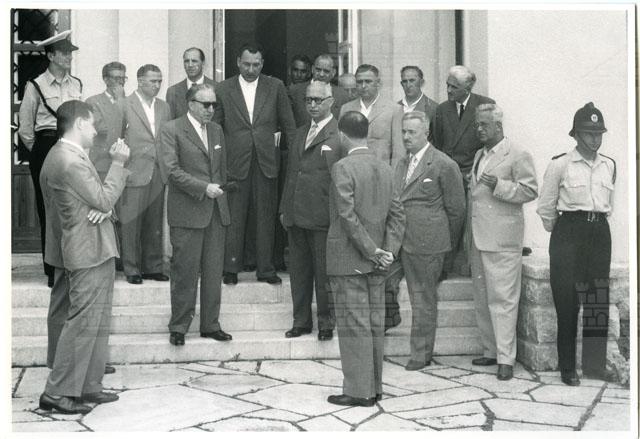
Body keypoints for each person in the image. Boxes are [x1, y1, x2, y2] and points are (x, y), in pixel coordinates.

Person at [38, 100, 129, 414]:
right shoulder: (69, 160)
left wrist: (103, 207)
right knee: (83, 323)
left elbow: (95, 202)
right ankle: (57, 392)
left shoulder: (65, 154)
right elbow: (102, 199)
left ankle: (89, 385)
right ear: (78, 124)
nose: (95, 130)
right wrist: (118, 163)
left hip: (91, 248)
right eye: (91, 124)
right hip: (86, 250)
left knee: (97, 322)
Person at [326, 111, 405, 407]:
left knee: (353, 325)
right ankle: (374, 387)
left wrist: (372, 251)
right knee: (373, 323)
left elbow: (347, 216)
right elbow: (398, 215)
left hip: (350, 259)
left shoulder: (342, 167)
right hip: (379, 261)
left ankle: (359, 392)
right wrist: (388, 251)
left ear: (342, 135)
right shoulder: (385, 167)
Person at [537, 102, 616, 386]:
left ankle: (594, 366)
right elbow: (546, 207)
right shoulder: (561, 164)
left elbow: (609, 204)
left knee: (597, 299)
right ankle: (568, 367)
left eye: (598, 134)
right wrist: (564, 233)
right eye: (588, 133)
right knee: (567, 301)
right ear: (576, 134)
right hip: (568, 233)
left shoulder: (609, 165)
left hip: (599, 233)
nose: (594, 139)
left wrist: (594, 226)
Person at [214, 43, 296, 285]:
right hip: (235, 162)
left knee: (265, 217)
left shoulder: (275, 86)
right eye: (247, 64)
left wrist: (295, 157)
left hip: (266, 161)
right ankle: (231, 268)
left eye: (256, 65)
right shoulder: (223, 88)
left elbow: (288, 124)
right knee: (234, 217)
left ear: (262, 64)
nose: (251, 69)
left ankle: (266, 269)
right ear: (238, 62)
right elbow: (216, 127)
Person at [390, 111, 465, 370]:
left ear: (426, 133)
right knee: (382, 283)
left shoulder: (443, 164)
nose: (406, 137)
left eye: (412, 132)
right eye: (403, 131)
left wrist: (446, 247)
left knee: (422, 300)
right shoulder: (401, 163)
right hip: (398, 240)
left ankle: (421, 355)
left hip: (427, 244)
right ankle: (390, 319)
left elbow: (457, 211)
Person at [158, 83, 232, 346]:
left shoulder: (216, 130)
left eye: (214, 105)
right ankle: (179, 326)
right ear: (191, 104)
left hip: (215, 213)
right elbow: (171, 171)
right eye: (205, 104)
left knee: (213, 273)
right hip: (187, 212)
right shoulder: (172, 130)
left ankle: (211, 325)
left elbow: (220, 170)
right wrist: (203, 188)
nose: (211, 109)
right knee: (184, 272)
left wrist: (219, 196)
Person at [469, 104, 538, 381]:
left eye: (484, 124)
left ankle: (506, 359)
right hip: (478, 237)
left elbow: (530, 190)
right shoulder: (479, 154)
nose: (479, 129)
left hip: (503, 239)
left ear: (498, 126)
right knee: (483, 297)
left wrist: (499, 185)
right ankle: (491, 350)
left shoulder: (517, 153)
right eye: (477, 124)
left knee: (503, 300)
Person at [18, 30, 82, 287]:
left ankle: (72, 264)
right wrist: (41, 151)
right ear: (51, 56)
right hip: (46, 147)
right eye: (64, 53)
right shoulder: (35, 85)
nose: (68, 57)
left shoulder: (76, 84)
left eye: (70, 53)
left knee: (73, 206)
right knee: (49, 208)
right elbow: (25, 128)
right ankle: (53, 268)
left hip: (72, 148)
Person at [280, 82, 341, 341]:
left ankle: (326, 323)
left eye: (318, 100)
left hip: (323, 216)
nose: (312, 105)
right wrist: (285, 209)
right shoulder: (300, 132)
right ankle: (301, 321)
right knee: (299, 272)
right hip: (296, 213)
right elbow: (292, 174)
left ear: (331, 102)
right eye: (308, 100)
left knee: (324, 272)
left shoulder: (339, 134)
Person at [431, 65, 495, 278]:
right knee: (449, 222)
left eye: (454, 87)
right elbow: (437, 144)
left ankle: (470, 267)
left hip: (472, 175)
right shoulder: (442, 110)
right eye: (447, 85)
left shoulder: (485, 105)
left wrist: (476, 170)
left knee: (472, 224)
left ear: (468, 87)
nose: (449, 90)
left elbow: (490, 143)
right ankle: (445, 266)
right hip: (449, 175)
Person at [120, 64, 171, 284]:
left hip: (157, 171)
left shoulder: (164, 107)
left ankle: (153, 267)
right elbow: (117, 138)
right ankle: (131, 268)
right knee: (131, 223)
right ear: (140, 81)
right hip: (133, 170)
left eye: (159, 81)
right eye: (153, 81)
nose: (157, 85)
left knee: (155, 221)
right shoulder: (124, 104)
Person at [339, 64, 396, 165]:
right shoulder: (346, 109)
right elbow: (341, 146)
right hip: (352, 169)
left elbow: (399, 152)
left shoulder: (393, 110)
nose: (363, 86)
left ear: (378, 83)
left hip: (380, 170)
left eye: (368, 81)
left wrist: (392, 174)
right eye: (359, 82)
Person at [85, 62, 127, 181]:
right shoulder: (93, 102)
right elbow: (103, 129)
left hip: (125, 164)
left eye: (123, 78)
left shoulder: (128, 102)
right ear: (106, 80)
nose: (121, 82)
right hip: (102, 163)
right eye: (117, 78)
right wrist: (120, 101)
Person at [288, 54, 350, 127]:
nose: (321, 74)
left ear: (333, 73)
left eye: (326, 71)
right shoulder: (295, 91)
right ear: (312, 69)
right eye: (318, 70)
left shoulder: (342, 95)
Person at [165, 47, 217, 120]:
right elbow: (170, 122)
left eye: (194, 61)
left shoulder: (217, 88)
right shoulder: (173, 91)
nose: (190, 65)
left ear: (203, 63)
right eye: (186, 61)